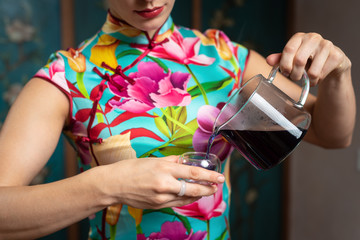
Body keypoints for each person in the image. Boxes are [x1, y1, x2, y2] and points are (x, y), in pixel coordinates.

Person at [0, 0, 356, 239]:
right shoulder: (67, 76)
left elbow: (331, 134)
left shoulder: (226, 58)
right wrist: (107, 185)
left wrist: (340, 72)